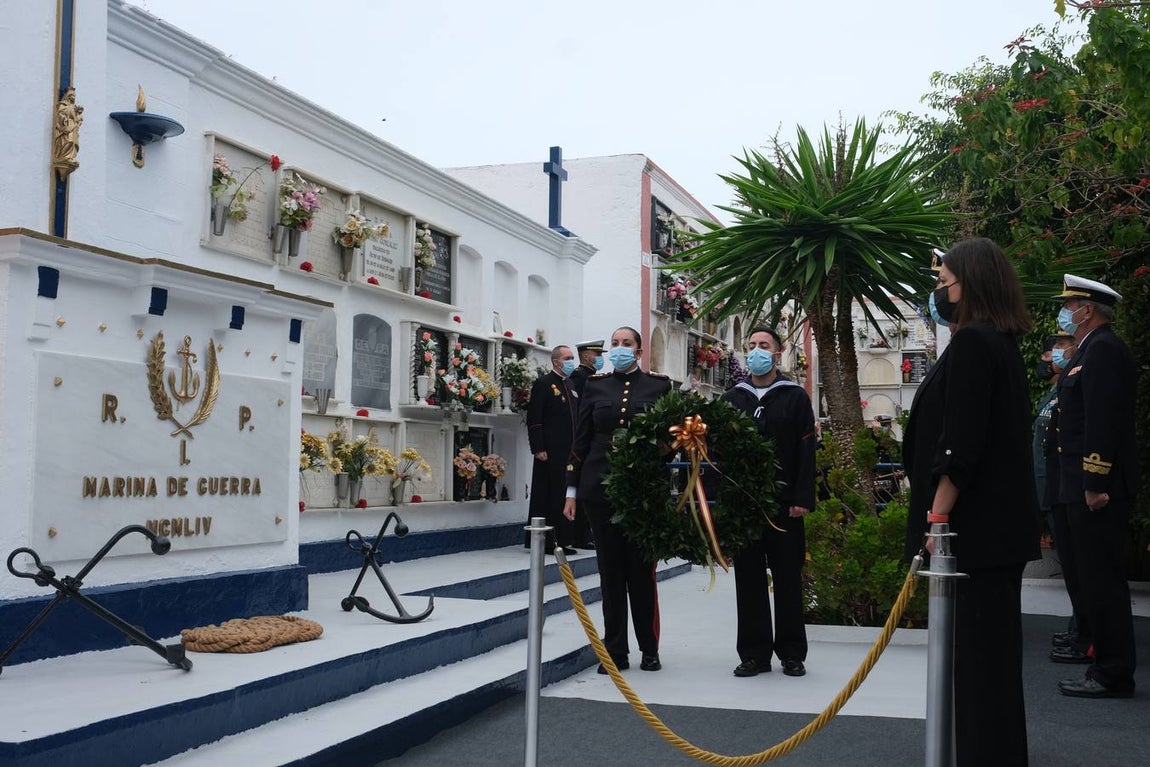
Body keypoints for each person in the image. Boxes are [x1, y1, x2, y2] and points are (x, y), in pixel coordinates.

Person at [902, 238, 1040, 767]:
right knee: (988, 666)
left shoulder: (976, 343)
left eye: (944, 285)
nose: (938, 294)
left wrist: (938, 514)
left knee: (981, 669)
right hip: (989, 532)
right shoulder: (992, 340)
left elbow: (961, 442)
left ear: (971, 285)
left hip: (973, 533)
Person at [563, 327, 671, 673]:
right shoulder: (595, 386)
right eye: (615, 344)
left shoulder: (659, 387)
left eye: (627, 344)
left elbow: (672, 439)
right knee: (610, 574)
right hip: (599, 487)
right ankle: (615, 652)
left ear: (639, 352)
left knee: (641, 572)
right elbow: (581, 439)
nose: (620, 348)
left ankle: (649, 649)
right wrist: (571, 490)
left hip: (641, 491)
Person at [1051, 273, 1139, 699]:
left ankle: (1113, 672)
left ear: (1087, 310)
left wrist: (1095, 480)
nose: (1065, 313)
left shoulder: (1102, 350)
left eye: (1069, 306)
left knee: (1103, 581)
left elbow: (1103, 422)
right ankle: (1103, 660)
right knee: (1093, 578)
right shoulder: (1088, 349)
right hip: (1079, 484)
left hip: (1095, 487)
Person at [721, 327, 816, 678]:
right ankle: (754, 654)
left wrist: (802, 497)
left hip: (785, 503)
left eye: (763, 345)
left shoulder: (794, 397)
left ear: (778, 353)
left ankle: (792, 652)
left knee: (788, 577)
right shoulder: (733, 398)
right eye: (751, 346)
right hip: (746, 505)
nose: (756, 351)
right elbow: (721, 452)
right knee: (748, 579)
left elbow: (807, 449)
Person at [1036, 333, 1089, 661]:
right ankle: (1079, 628)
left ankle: (1085, 632)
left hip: (1064, 489)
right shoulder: (1053, 392)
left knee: (1080, 566)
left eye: (1053, 352)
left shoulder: (1070, 388)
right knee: (1072, 566)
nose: (1048, 359)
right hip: (1052, 491)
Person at [526, 345, 578, 554]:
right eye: (567, 358)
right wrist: (538, 447)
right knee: (549, 495)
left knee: (564, 494)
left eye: (572, 358)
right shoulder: (544, 384)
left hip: (568, 450)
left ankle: (563, 540)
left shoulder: (570, 385)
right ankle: (548, 541)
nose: (571, 361)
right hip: (549, 451)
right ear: (556, 361)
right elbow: (534, 418)